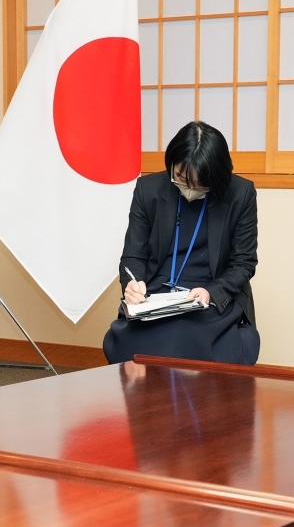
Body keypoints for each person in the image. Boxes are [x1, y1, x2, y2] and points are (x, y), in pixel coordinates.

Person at [103, 121, 260, 365]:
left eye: (199, 184)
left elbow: (243, 263)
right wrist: (133, 284)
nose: (188, 189)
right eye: (180, 178)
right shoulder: (149, 189)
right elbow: (133, 255)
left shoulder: (241, 194)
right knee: (140, 340)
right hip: (155, 294)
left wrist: (211, 292)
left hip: (209, 296)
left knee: (184, 334)